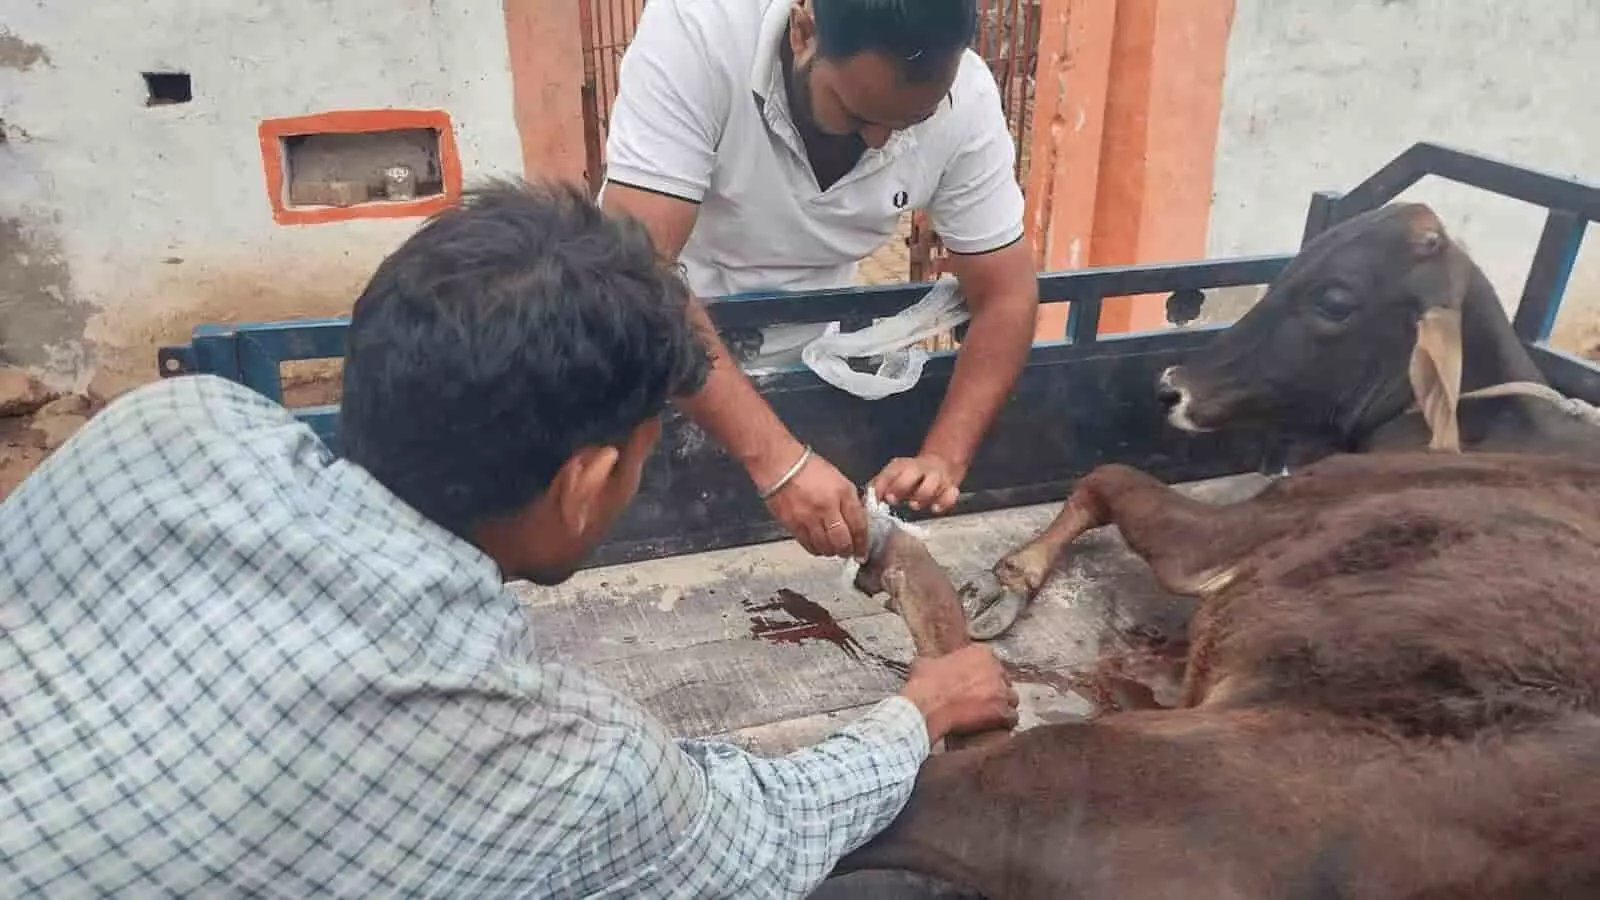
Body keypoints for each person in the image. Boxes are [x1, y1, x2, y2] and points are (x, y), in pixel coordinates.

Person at [0, 180, 1018, 899]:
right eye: (639, 455)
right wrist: (918, 712)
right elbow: (756, 835)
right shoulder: (551, 762)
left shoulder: (167, 424)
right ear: (585, 486)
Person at [602, 0, 1041, 562]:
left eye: (910, 123)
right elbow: (639, 275)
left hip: (807, 346)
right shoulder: (699, 32)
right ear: (803, 28)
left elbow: (1006, 294)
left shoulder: (967, 102)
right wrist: (779, 463)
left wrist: (943, 458)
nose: (879, 142)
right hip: (658, 338)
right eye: (855, 115)